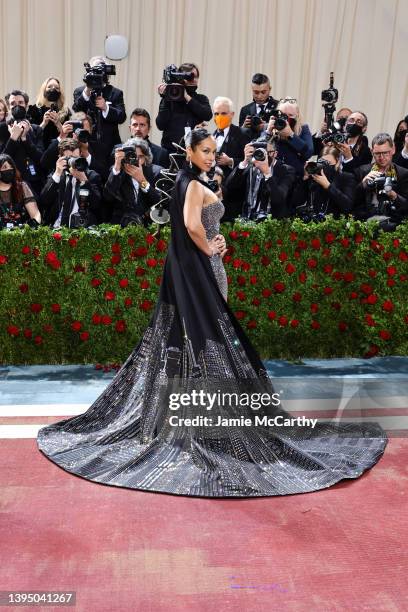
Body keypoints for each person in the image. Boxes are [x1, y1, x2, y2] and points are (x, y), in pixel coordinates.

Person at [37, 127, 387, 498]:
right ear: (188, 151)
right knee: (208, 342)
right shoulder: (189, 184)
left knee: (199, 341)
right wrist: (211, 249)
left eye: (212, 150)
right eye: (202, 150)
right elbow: (190, 226)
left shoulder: (191, 181)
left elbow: (195, 225)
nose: (208, 155)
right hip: (202, 269)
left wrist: (212, 241)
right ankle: (210, 425)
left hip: (198, 267)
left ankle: (199, 416)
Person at [72, 55, 126, 170]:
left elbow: (122, 117)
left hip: (109, 147)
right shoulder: (80, 91)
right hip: (86, 144)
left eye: (100, 70)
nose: (98, 73)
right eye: (94, 70)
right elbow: (77, 110)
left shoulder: (115, 93)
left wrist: (106, 107)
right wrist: (87, 90)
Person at [224, 138, 295, 221]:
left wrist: (267, 173)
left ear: (275, 153)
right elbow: (229, 189)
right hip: (245, 220)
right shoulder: (249, 166)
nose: (263, 156)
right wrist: (244, 162)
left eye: (267, 152)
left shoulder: (286, 170)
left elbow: (278, 199)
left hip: (271, 223)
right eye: (259, 152)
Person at [40, 138, 102, 227]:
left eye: (76, 158)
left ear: (81, 155)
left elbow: (96, 205)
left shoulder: (91, 176)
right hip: (56, 228)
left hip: (82, 229)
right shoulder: (56, 176)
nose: (73, 162)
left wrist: (84, 181)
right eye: (69, 158)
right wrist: (57, 173)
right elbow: (44, 201)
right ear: (60, 158)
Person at [353, 132, 408, 230]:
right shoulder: (361, 171)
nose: (381, 157)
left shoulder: (403, 173)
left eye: (385, 153)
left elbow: (406, 206)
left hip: (393, 225)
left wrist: (393, 194)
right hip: (365, 225)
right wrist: (363, 184)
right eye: (377, 153)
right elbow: (351, 202)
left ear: (393, 150)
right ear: (371, 152)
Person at [155, 62, 212, 153]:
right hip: (170, 150)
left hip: (195, 151)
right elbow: (160, 125)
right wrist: (166, 98)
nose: (194, 79)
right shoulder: (169, 100)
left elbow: (207, 115)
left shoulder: (201, 99)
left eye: (196, 76)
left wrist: (186, 96)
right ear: (181, 77)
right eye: (191, 76)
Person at [104, 138, 161, 226]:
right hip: (121, 226)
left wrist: (142, 181)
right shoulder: (117, 171)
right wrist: (117, 167)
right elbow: (108, 197)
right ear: (125, 157)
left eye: (140, 157)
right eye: (133, 156)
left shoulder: (156, 172)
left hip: (147, 226)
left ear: (146, 158)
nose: (136, 160)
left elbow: (160, 202)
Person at [291, 146, 357, 219]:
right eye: (322, 162)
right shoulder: (313, 177)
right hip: (311, 223)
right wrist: (305, 178)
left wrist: (328, 186)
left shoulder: (346, 177)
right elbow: (296, 201)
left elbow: (348, 206)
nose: (325, 166)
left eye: (328, 163)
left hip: (334, 224)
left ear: (338, 161)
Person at [2, 89, 45, 197]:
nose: (17, 106)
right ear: (9, 107)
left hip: (34, 181)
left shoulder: (36, 129)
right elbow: (2, 159)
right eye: (13, 103)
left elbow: (41, 158)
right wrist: (13, 138)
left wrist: (25, 139)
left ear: (26, 105)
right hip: (9, 183)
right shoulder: (2, 128)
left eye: (20, 103)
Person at [265, 97, 314, 177]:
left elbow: (308, 153)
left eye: (290, 115)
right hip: (273, 175)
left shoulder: (303, 128)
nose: (286, 119)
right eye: (283, 115)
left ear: (297, 115)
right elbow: (261, 149)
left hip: (295, 176)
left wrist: (291, 135)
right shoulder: (270, 126)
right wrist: (268, 132)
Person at [27, 77, 72, 148]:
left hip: (59, 148)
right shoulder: (34, 110)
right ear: (44, 90)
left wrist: (58, 123)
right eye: (49, 87)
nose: (53, 89)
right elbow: (31, 135)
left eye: (57, 88)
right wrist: (44, 123)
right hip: (40, 149)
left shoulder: (65, 111)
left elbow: (69, 137)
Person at [0, 154, 41, 227]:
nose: (9, 170)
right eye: (5, 167)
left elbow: (35, 214)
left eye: (11, 167)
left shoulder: (22, 187)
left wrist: (31, 227)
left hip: (21, 233)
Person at [239, 73, 279, 139]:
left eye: (263, 92)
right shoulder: (245, 110)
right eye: (256, 92)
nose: (259, 96)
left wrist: (266, 126)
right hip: (249, 147)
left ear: (270, 89)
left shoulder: (279, 107)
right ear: (252, 90)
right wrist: (243, 128)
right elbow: (240, 138)